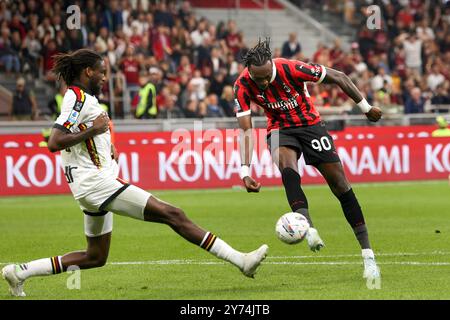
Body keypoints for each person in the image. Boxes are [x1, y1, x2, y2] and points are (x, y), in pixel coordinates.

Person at [1, 49, 268, 297]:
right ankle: (240, 261)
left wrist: (104, 144)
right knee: (173, 214)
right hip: (97, 183)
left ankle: (19, 272)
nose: (105, 77)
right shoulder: (77, 98)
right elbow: (55, 142)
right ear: (87, 72)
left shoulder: (83, 99)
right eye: (102, 71)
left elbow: (79, 135)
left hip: (89, 186)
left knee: (95, 257)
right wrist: (94, 131)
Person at [233, 39, 382, 282]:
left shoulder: (291, 68)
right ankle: (309, 229)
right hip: (280, 128)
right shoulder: (242, 85)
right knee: (287, 167)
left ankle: (368, 257)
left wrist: (366, 108)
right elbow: (246, 130)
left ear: (272, 66)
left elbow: (340, 76)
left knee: (341, 186)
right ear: (249, 71)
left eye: (265, 77)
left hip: (311, 125)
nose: (261, 83)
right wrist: (244, 171)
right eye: (257, 78)